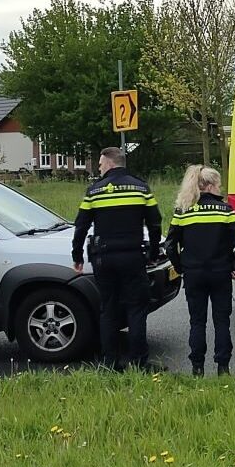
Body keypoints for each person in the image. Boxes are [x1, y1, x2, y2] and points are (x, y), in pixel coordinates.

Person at [72, 146, 163, 371]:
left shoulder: (94, 191)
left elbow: (81, 225)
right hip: (133, 256)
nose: (100, 168)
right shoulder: (141, 188)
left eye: (101, 164)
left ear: (111, 163)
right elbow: (155, 223)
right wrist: (152, 253)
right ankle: (139, 362)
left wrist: (77, 255)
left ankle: (109, 362)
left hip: (104, 258)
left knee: (108, 309)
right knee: (136, 308)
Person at [165, 165, 235, 377]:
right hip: (220, 272)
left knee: (197, 321)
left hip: (194, 273)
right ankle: (223, 367)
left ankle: (197, 367)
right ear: (209, 186)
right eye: (218, 185)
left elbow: (170, 245)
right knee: (222, 321)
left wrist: (181, 267)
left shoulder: (183, 210)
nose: (221, 189)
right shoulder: (226, 210)